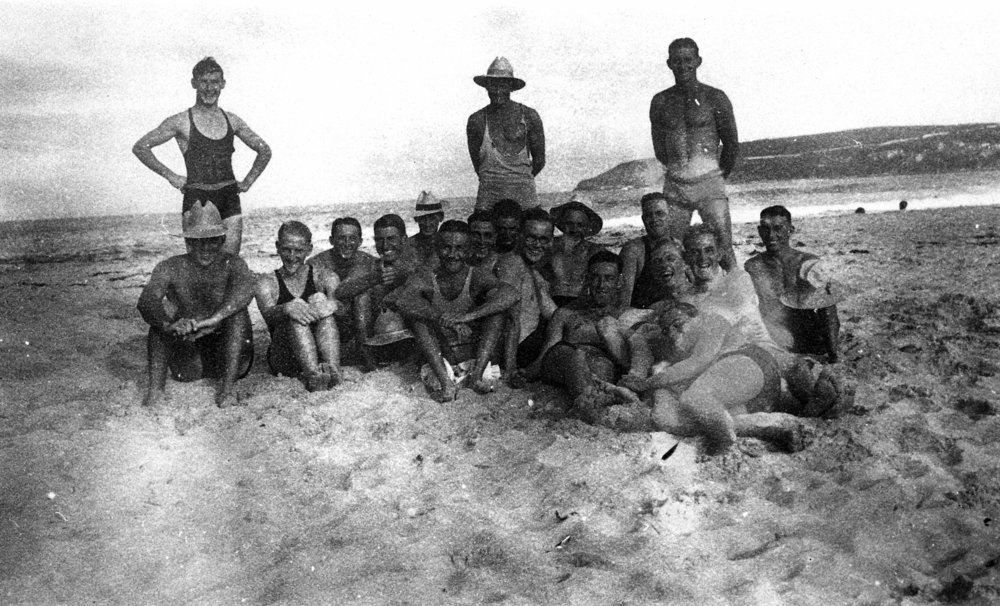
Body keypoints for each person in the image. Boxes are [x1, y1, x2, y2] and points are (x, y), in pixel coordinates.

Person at [622, 301, 805, 454]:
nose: (672, 333)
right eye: (666, 330)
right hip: (752, 395)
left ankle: (725, 445)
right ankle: (775, 427)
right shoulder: (679, 353)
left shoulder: (712, 322)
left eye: (678, 324)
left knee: (695, 398)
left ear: (697, 317)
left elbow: (698, 362)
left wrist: (647, 383)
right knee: (677, 421)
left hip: (748, 362)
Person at [133, 57, 272, 256]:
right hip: (198, 199)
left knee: (229, 265)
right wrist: (172, 176)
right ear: (194, 83)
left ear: (222, 84)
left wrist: (248, 182)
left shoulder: (232, 120)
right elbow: (141, 147)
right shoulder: (181, 121)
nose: (209, 88)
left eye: (215, 82)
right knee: (199, 269)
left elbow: (264, 150)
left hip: (229, 199)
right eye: (204, 82)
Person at [137, 201, 255, 408]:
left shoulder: (233, 263)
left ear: (222, 240)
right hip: (190, 361)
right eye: (200, 242)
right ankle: (156, 391)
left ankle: (227, 390)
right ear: (189, 242)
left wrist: (215, 319)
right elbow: (147, 300)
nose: (207, 248)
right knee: (161, 315)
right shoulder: (171, 266)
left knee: (238, 313)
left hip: (229, 356)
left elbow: (246, 290)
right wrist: (168, 325)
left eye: (213, 241)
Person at [395, 221, 518, 402]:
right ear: (437, 248)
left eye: (459, 248)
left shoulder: (476, 275)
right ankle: (447, 384)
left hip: (476, 360)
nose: (453, 255)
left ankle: (476, 377)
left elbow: (511, 294)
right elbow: (403, 300)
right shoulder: (427, 277)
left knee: (498, 313)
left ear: (468, 250)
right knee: (417, 319)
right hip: (442, 364)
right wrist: (441, 318)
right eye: (447, 248)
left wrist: (468, 316)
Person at [518, 250, 640, 420]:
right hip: (562, 360)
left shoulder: (629, 316)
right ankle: (589, 404)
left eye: (608, 278)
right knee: (576, 356)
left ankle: (589, 404)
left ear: (619, 281)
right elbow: (546, 354)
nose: (601, 284)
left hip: (599, 368)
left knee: (601, 366)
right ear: (587, 279)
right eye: (595, 277)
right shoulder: (566, 313)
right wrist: (524, 374)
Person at [649, 38, 739, 270]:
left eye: (688, 60)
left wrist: (716, 177)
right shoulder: (660, 101)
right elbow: (660, 148)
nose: (683, 66)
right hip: (676, 185)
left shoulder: (715, 97)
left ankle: (740, 303)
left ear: (698, 61)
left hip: (709, 182)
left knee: (723, 247)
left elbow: (731, 144)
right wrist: (680, 170)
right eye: (677, 61)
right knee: (671, 250)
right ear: (669, 64)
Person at [744, 206, 842, 363]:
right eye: (766, 229)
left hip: (811, 340)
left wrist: (833, 355)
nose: (771, 235)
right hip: (776, 339)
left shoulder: (807, 262)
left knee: (827, 298)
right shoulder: (753, 266)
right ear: (759, 231)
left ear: (790, 230)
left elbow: (828, 310)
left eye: (778, 228)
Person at [255, 221, 342, 392]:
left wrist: (331, 303)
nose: (292, 256)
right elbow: (268, 315)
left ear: (309, 250)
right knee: (296, 310)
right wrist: (286, 308)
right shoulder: (267, 282)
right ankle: (313, 376)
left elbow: (339, 305)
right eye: (287, 249)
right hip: (285, 357)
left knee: (318, 298)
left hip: (318, 351)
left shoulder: (320, 275)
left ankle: (333, 370)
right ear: (277, 247)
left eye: (299, 251)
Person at [467, 57, 545, 210]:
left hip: (525, 196)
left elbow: (540, 161)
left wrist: (518, 181)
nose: (497, 91)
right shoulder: (476, 120)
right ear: (486, 87)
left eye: (502, 84)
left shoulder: (530, 116)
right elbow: (478, 165)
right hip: (488, 197)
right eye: (493, 85)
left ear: (511, 87)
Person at [308, 217, 379, 371]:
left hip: (359, 330)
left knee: (363, 297)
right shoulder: (316, 264)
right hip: (328, 331)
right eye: (341, 238)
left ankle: (367, 355)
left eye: (352, 238)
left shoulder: (370, 262)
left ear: (360, 241)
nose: (347, 243)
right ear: (331, 240)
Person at [495, 207, 558, 378]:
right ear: (519, 236)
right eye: (531, 238)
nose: (537, 245)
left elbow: (553, 313)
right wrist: (510, 367)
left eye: (543, 239)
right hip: (516, 349)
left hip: (526, 344)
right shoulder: (511, 264)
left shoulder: (532, 271)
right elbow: (509, 318)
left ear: (551, 241)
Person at [619, 192, 683, 309]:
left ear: (670, 216)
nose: (654, 219)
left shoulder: (680, 246)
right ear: (643, 219)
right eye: (649, 215)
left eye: (660, 214)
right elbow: (622, 303)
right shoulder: (633, 251)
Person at [549, 194, 607, 307]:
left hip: (582, 305)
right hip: (551, 303)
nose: (574, 229)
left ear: (587, 228)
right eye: (569, 224)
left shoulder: (596, 251)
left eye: (580, 225)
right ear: (562, 224)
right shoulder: (548, 247)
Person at [409, 191, 445, 268]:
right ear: (416, 219)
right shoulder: (407, 246)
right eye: (422, 218)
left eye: (432, 218)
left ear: (441, 217)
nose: (427, 223)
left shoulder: (447, 243)